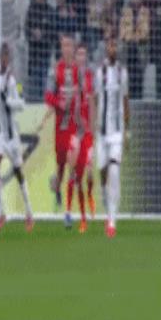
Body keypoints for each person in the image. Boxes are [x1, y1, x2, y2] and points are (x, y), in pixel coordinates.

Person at [0, 43, 33, 233]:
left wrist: (8, 101)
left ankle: (29, 212)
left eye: (6, 56)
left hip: (12, 136)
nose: (4, 59)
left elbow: (21, 104)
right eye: (2, 56)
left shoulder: (12, 81)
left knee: (18, 173)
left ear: (9, 59)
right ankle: (1, 213)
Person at [41, 34, 80, 222]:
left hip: (75, 124)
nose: (67, 49)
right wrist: (59, 103)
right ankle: (56, 187)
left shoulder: (79, 70)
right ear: (61, 48)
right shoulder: (55, 70)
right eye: (64, 45)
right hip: (61, 126)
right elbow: (48, 96)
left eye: (69, 45)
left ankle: (68, 211)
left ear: (73, 48)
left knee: (72, 163)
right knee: (62, 166)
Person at [95, 37, 129, 238]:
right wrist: (94, 123)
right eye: (109, 45)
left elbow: (125, 100)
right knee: (103, 171)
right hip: (102, 132)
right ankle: (105, 197)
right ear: (106, 48)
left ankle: (112, 220)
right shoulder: (100, 72)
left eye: (115, 45)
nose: (112, 48)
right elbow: (96, 98)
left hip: (116, 131)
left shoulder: (122, 73)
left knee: (114, 171)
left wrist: (127, 131)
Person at [65, 43, 95, 233]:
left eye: (84, 54)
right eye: (79, 54)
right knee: (74, 174)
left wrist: (91, 127)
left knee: (90, 175)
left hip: (88, 134)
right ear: (75, 58)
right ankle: (71, 214)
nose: (81, 57)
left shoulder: (90, 78)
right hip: (75, 132)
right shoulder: (71, 78)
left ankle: (90, 194)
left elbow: (93, 104)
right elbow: (69, 106)